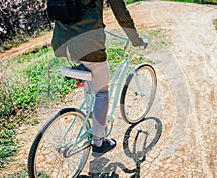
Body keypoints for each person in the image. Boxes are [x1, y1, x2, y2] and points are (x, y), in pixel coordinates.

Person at [51, 0, 147, 157]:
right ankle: (99, 142)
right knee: (102, 92)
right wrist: (136, 40)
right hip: (88, 45)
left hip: (62, 44)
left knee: (91, 81)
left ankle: (92, 120)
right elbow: (121, 13)